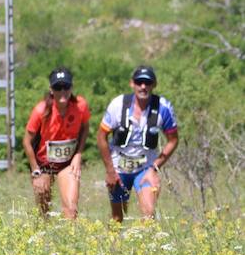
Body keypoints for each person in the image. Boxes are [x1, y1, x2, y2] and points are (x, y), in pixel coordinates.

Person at [96, 65, 179, 223]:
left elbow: (173, 140)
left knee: (148, 214)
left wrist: (155, 167)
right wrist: (110, 171)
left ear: (154, 85)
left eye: (147, 83)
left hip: (145, 168)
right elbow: (101, 137)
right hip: (118, 168)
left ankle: (147, 246)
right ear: (131, 83)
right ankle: (115, 247)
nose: (143, 86)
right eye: (139, 82)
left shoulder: (163, 107)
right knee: (117, 218)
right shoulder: (118, 104)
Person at [21, 67, 91, 219]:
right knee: (43, 212)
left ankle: (70, 240)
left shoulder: (80, 106)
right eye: (57, 87)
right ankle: (45, 239)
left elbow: (85, 127)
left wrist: (78, 154)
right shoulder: (41, 110)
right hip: (43, 166)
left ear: (71, 88)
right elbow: (26, 141)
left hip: (67, 164)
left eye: (66, 87)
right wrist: (35, 171)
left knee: (71, 210)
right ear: (51, 90)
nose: (62, 91)